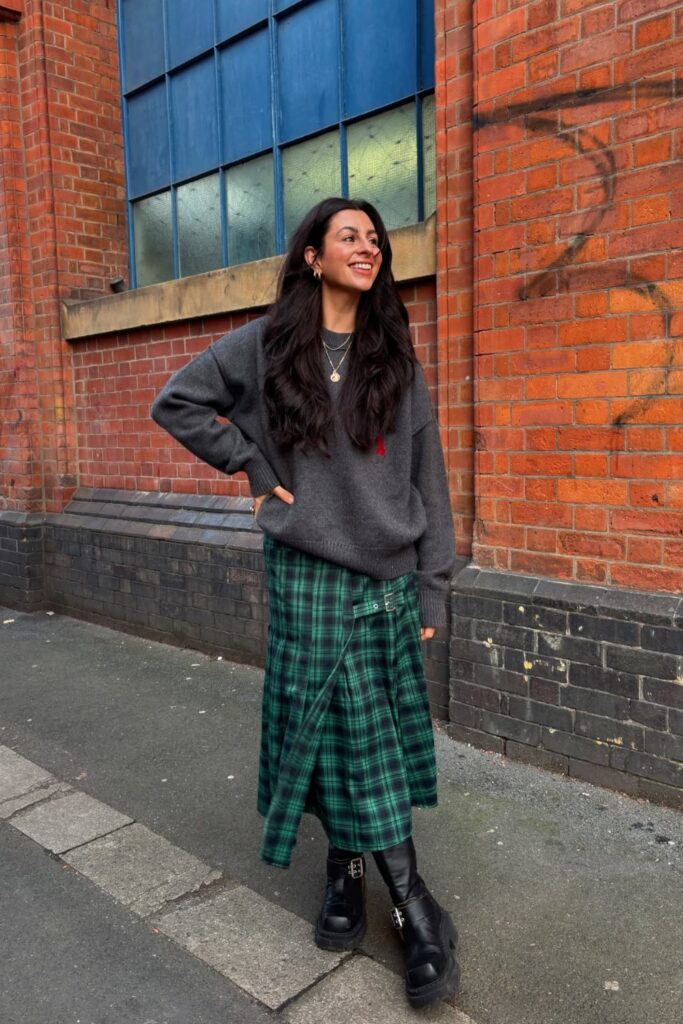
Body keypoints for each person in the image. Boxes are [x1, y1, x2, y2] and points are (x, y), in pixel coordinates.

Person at [151, 197, 459, 1008]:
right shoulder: (266, 347)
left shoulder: (395, 358)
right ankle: (401, 898)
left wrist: (434, 581)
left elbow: (428, 477)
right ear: (314, 256)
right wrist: (251, 467)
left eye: (376, 239)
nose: (368, 248)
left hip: (387, 581)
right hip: (307, 576)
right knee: (334, 735)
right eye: (349, 236)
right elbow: (176, 402)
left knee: (365, 738)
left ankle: (364, 881)